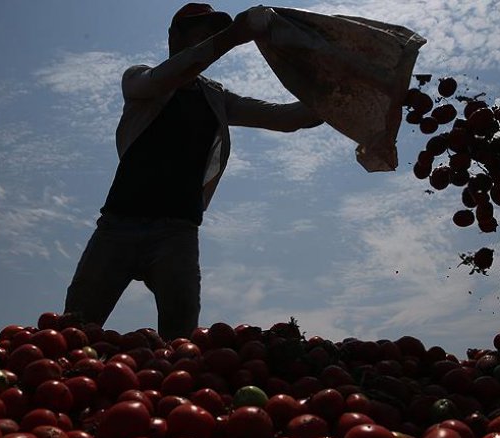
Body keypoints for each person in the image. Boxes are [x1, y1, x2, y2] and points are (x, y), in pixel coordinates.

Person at [62, 3, 322, 340]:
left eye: (211, 36)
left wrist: (341, 100)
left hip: (177, 233)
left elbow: (285, 118)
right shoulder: (139, 79)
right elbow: (173, 72)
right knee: (75, 329)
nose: (207, 43)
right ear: (174, 37)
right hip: (117, 225)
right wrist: (231, 37)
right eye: (200, 35)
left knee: (181, 339)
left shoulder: (214, 97)